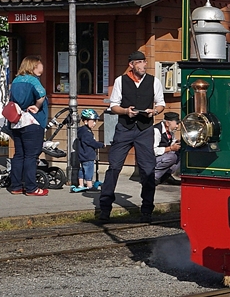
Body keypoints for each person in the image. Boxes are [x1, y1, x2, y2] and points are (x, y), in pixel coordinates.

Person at [97, 51, 166, 223]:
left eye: (145, 61)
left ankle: (147, 209)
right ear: (131, 65)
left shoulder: (153, 81)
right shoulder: (120, 81)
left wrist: (154, 111)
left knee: (148, 170)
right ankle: (105, 208)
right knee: (114, 167)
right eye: (140, 62)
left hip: (145, 129)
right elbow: (114, 106)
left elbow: (161, 103)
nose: (144, 65)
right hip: (124, 128)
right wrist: (126, 111)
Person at [7, 56, 49, 196]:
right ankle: (31, 188)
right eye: (39, 64)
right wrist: (37, 106)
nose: (41, 66)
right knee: (31, 156)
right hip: (32, 121)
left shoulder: (16, 80)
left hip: (17, 122)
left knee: (19, 154)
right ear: (33, 66)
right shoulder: (33, 80)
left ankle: (16, 186)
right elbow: (42, 94)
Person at [71, 108, 105, 192]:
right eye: (92, 121)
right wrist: (101, 145)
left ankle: (81, 184)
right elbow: (91, 142)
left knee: (82, 170)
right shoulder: (86, 133)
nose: (94, 123)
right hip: (88, 155)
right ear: (85, 121)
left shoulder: (82, 131)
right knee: (89, 171)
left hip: (83, 155)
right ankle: (90, 186)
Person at [153, 112, 182, 185]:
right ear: (167, 123)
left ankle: (165, 176)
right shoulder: (156, 131)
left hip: (162, 156)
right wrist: (171, 148)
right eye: (176, 123)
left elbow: (171, 142)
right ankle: (153, 177)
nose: (177, 126)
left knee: (181, 153)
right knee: (172, 157)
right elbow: (153, 151)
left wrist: (178, 143)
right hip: (151, 159)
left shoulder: (170, 131)